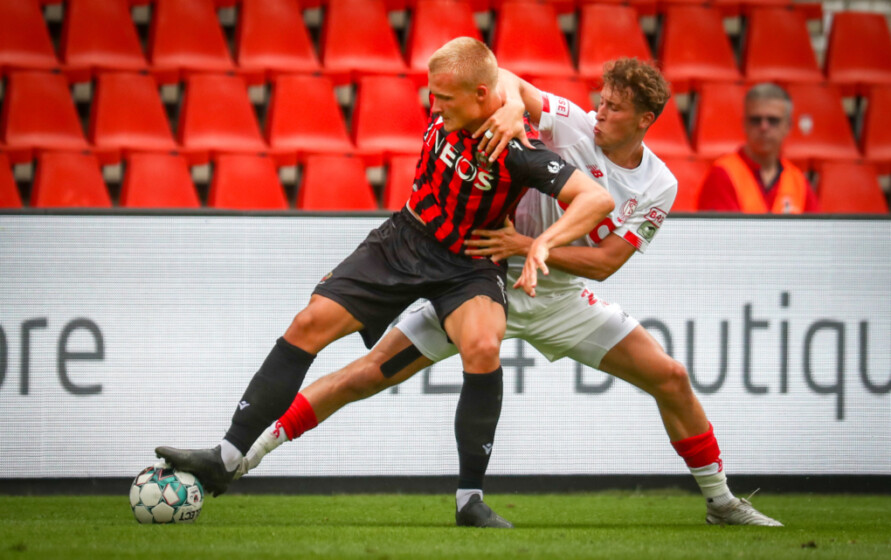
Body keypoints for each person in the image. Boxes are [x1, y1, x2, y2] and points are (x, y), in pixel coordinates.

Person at [235, 59, 783, 528]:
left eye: (614, 108)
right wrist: (515, 106)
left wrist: (528, 243)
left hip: (559, 299)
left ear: (645, 119)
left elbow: (605, 263)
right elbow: (506, 78)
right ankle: (247, 456)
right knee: (363, 376)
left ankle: (721, 501)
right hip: (482, 281)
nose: (599, 113)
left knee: (671, 377)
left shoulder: (659, 184)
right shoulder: (572, 125)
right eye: (601, 100)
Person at [155, 37, 614, 499]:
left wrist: (542, 244)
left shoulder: (517, 147)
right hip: (404, 239)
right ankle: (225, 458)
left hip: (469, 262)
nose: (434, 106)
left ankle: (470, 499)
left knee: (482, 345)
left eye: (444, 97)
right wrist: (509, 100)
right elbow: (499, 77)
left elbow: (596, 199)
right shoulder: (462, 101)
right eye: (432, 94)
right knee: (309, 322)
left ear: (479, 94)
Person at [698, 82, 819, 213]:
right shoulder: (722, 174)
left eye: (773, 120)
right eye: (756, 120)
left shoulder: (798, 181)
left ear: (788, 126)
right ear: (744, 124)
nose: (763, 127)